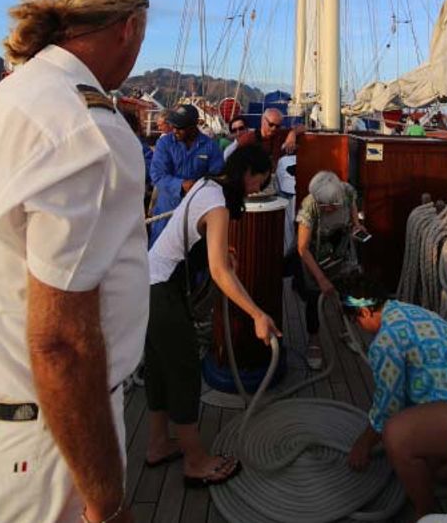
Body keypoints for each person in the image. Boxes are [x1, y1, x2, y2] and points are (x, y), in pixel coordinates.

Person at [0, 0, 149, 523]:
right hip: (54, 444)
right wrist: (102, 497)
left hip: (2, 424)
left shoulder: (4, 102)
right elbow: (62, 342)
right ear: (127, 29)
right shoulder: (86, 129)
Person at [144, 143, 282, 487]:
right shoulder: (219, 205)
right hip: (163, 291)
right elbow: (221, 273)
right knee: (184, 370)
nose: (256, 190)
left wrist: (216, 250)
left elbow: (191, 232)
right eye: (258, 182)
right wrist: (257, 315)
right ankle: (196, 461)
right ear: (247, 172)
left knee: (160, 369)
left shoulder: (207, 185)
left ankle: (158, 443)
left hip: (147, 281)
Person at [338, 273, 447, 519]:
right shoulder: (408, 311)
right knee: (436, 469)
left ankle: (425, 511)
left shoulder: (385, 342)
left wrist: (364, 444)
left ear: (366, 313)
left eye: (356, 321)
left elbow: (387, 407)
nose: (360, 329)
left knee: (396, 435)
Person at [295, 171, 365, 369]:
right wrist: (321, 278)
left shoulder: (347, 192)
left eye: (332, 205)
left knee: (348, 289)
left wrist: (357, 227)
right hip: (314, 254)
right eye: (324, 206)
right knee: (313, 295)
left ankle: (346, 329)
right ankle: (314, 340)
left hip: (340, 249)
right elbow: (302, 247)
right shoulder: (310, 206)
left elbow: (353, 217)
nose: (329, 209)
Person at [148, 104, 225, 247]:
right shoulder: (164, 144)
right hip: (167, 212)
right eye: (173, 126)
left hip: (197, 214)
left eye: (180, 127)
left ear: (194, 126)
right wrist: (181, 185)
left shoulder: (211, 147)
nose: (175, 130)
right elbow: (157, 175)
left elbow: (218, 176)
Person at [227, 108, 303, 168]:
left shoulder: (279, 133)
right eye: (271, 124)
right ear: (263, 120)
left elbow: (303, 127)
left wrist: (292, 134)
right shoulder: (247, 140)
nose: (274, 128)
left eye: (277, 126)